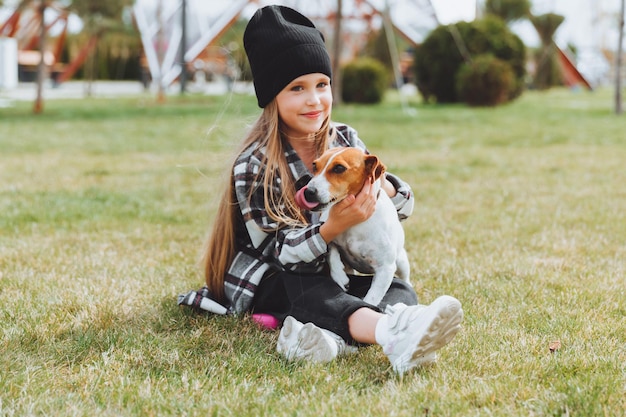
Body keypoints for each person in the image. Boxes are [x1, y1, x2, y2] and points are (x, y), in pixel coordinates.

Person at [178, 4, 463, 374]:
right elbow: (281, 253)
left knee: (398, 289)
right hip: (273, 278)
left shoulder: (344, 138)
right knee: (309, 287)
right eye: (297, 88)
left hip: (334, 271)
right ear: (272, 96)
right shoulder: (256, 164)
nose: (314, 100)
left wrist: (381, 192)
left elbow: (402, 207)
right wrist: (333, 227)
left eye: (322, 85)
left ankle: (326, 341)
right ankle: (391, 332)